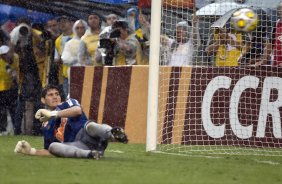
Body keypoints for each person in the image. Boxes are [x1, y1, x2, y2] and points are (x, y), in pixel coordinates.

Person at [14, 84, 128, 159]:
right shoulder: (46, 125)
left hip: (89, 135)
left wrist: (54, 114)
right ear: (43, 100)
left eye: (57, 94)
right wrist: (32, 151)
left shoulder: (67, 103)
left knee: (90, 126)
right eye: (50, 95)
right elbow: (50, 151)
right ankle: (91, 155)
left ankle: (114, 135)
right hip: (79, 146)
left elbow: (77, 110)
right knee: (53, 146)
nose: (55, 97)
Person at [61, 19, 88, 93]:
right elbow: (65, 59)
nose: (80, 30)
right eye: (77, 28)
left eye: (82, 28)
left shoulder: (90, 41)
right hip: (75, 74)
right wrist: (78, 59)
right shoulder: (70, 43)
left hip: (90, 72)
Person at [0, 45, 19, 135]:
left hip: (12, 89)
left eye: (6, 54)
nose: (5, 56)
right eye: (3, 55)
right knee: (2, 110)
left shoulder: (15, 59)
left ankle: (15, 129)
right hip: (2, 90)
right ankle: (3, 129)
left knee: (13, 110)